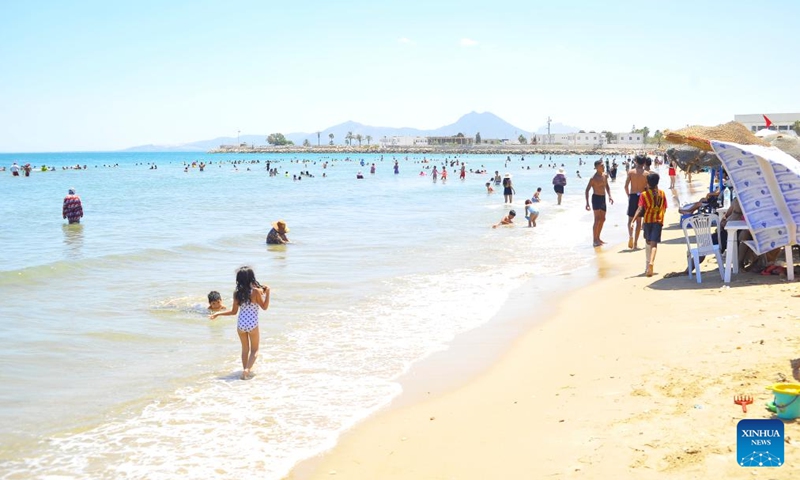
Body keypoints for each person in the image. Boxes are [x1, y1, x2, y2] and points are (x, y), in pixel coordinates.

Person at [210, 266, 270, 380]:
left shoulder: (237, 293)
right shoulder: (256, 291)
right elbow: (265, 307)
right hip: (252, 324)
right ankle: (247, 370)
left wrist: (218, 314)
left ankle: (245, 371)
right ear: (251, 278)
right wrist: (268, 293)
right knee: (255, 350)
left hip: (241, 325)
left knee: (245, 349)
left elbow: (233, 312)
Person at [632, 173, 667, 277]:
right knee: (654, 244)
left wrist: (633, 220)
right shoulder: (662, 193)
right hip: (658, 221)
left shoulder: (644, 195)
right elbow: (664, 208)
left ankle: (648, 264)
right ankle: (651, 263)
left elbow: (640, 209)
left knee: (648, 242)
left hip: (647, 221)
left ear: (648, 183)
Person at [585, 160, 614, 247]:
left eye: (603, 165)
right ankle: (594, 240)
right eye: (601, 165)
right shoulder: (593, 178)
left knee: (603, 219)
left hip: (603, 198)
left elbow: (607, 186)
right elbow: (587, 190)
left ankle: (598, 238)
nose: (603, 167)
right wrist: (587, 203)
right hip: (596, 198)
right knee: (597, 219)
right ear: (596, 167)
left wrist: (610, 196)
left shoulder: (605, 175)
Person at [624, 155, 648, 249]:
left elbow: (625, 186)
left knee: (630, 219)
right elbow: (648, 187)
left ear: (636, 162)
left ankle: (630, 236)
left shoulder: (631, 172)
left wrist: (629, 196)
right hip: (641, 197)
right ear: (644, 163)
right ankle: (635, 243)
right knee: (639, 221)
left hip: (633, 196)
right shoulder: (646, 174)